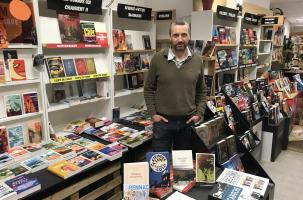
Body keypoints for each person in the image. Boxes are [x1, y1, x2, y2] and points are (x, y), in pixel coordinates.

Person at [144, 20, 207, 152]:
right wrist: (153, 114)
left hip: (187, 123)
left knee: (182, 169)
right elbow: (148, 89)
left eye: (184, 35)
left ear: (189, 36)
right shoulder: (157, 59)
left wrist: (199, 113)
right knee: (160, 167)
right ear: (170, 37)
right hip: (162, 123)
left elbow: (201, 90)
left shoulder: (197, 61)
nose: (180, 39)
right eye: (176, 35)